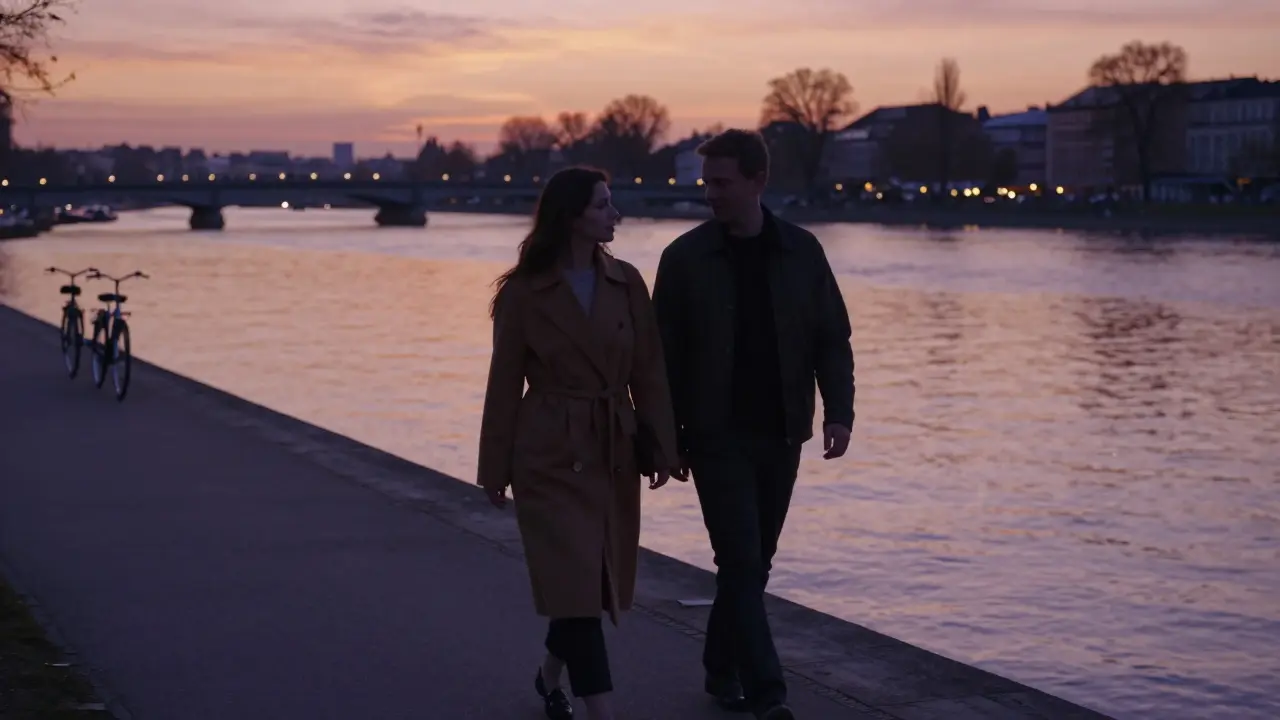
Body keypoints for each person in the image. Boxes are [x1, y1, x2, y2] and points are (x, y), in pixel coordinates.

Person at [651, 130, 855, 720]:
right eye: (705, 181)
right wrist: (666, 439)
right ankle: (769, 695)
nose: (709, 193)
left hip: (783, 431)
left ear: (758, 181)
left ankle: (719, 668)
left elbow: (830, 340)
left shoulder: (803, 251)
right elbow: (659, 360)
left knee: (752, 565)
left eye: (721, 182)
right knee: (740, 562)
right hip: (715, 436)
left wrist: (838, 412)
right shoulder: (684, 259)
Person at [477, 166, 684, 720]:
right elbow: (503, 382)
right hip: (547, 452)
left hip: (610, 448)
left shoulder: (627, 281)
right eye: (602, 205)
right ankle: (604, 712)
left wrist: (662, 443)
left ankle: (549, 678)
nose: (614, 214)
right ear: (573, 217)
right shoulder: (524, 291)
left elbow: (650, 371)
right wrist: (493, 468)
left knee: (588, 585)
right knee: (576, 585)